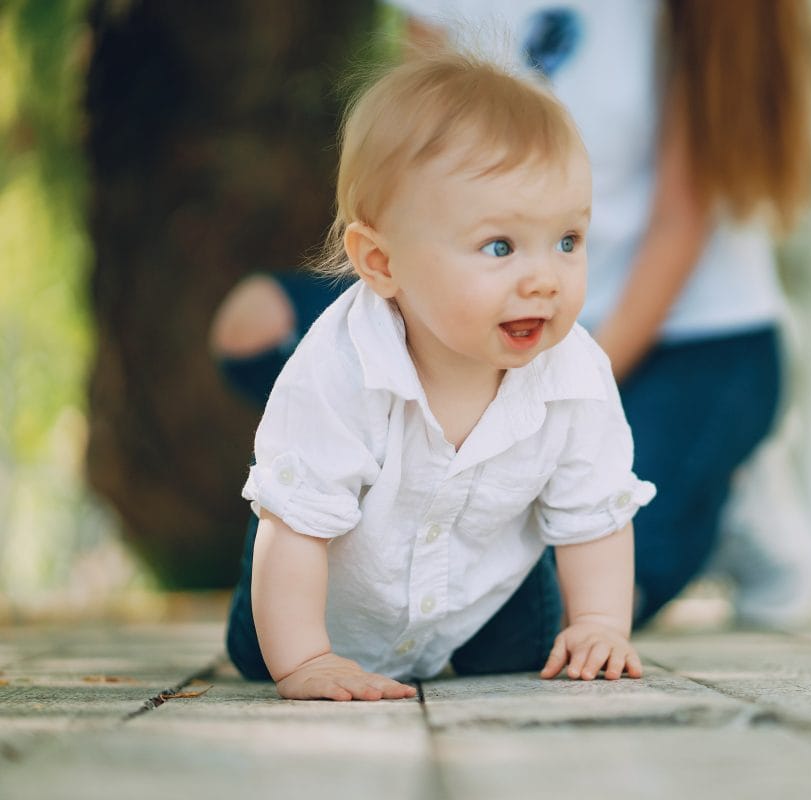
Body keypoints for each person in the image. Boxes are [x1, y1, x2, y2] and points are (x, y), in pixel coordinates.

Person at [212, 1, 811, 628]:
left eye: (571, 239)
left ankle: (713, 490)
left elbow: (678, 223)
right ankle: (412, 481)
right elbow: (411, 176)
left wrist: (546, 393)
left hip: (687, 337)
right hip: (478, 306)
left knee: (552, 611)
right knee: (257, 326)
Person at [224, 48, 656, 701]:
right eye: (500, 246)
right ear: (381, 262)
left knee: (528, 649)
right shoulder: (341, 367)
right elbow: (299, 527)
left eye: (568, 240)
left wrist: (599, 624)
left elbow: (594, 511)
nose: (544, 278)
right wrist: (305, 660)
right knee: (264, 638)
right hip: (329, 606)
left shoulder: (575, 372)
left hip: (489, 601)